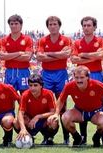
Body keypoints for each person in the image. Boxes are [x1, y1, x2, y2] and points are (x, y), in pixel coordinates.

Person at [48, 66, 103, 147]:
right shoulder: (69, 86)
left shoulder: (97, 85)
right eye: (76, 77)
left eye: (82, 77)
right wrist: (56, 113)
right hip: (79, 111)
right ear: (73, 77)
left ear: (87, 77)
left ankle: (96, 137)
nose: (79, 80)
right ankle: (77, 138)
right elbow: (61, 99)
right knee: (65, 117)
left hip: (96, 112)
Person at [71, 16, 103, 145]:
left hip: (96, 74)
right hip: (81, 76)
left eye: (89, 25)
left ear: (94, 27)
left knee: (100, 103)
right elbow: (74, 60)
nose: (86, 28)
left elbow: (101, 55)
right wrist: (93, 56)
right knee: (82, 103)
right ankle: (83, 136)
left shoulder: (100, 40)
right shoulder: (77, 43)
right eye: (84, 25)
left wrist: (83, 55)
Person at [36, 16, 72, 145]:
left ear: (59, 25)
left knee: (62, 106)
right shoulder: (42, 40)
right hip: (46, 74)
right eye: (50, 24)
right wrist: (58, 54)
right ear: (47, 26)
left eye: (55, 24)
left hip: (61, 73)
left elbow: (66, 55)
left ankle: (66, 137)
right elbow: (40, 57)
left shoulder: (66, 40)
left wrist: (49, 54)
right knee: (47, 106)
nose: (52, 26)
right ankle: (48, 136)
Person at [14, 74, 58, 145]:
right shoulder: (25, 95)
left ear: (41, 85)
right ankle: (28, 136)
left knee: (53, 121)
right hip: (30, 121)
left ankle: (48, 138)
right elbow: (20, 113)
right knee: (16, 121)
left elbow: (53, 112)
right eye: (30, 85)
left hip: (44, 120)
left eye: (35, 85)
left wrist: (38, 116)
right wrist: (23, 128)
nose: (32, 88)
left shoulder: (48, 94)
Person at [0, 14, 33, 94]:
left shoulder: (27, 39)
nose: (14, 26)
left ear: (21, 25)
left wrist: (9, 56)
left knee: (25, 95)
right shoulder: (4, 40)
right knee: (9, 96)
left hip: (23, 71)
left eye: (16, 23)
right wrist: (19, 53)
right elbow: (2, 56)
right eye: (12, 24)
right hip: (10, 71)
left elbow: (27, 57)